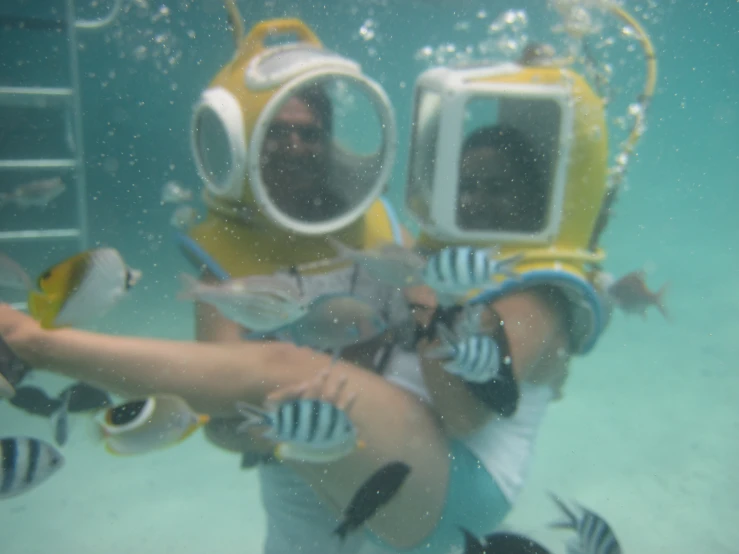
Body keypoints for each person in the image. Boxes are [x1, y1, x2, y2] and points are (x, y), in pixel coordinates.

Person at [0, 19, 624, 554]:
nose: (473, 201)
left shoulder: (532, 288)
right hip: (379, 468)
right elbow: (227, 409)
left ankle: (29, 340)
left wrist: (423, 309)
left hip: (447, 479)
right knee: (282, 393)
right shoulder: (449, 254)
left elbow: (462, 411)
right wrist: (288, 423)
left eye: (497, 189)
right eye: (467, 184)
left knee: (280, 367)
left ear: (539, 197)